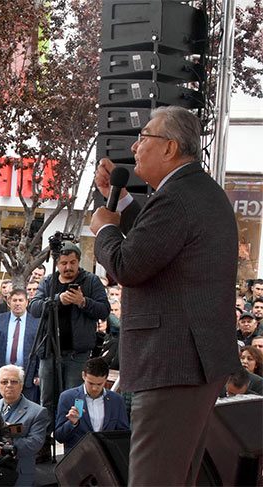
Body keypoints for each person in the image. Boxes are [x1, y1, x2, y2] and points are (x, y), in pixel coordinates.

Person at [92, 106, 239, 486]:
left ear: (170, 147)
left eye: (144, 137)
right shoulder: (196, 190)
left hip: (173, 360)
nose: (136, 146)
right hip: (194, 359)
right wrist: (120, 202)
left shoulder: (176, 197)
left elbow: (129, 264)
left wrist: (103, 231)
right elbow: (157, 241)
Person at [28, 241, 109, 437]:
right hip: (50, 351)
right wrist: (57, 300)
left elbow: (104, 309)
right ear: (57, 264)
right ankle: (45, 442)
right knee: (47, 400)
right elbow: (34, 308)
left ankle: (75, 441)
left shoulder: (91, 281)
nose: (68, 267)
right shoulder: (49, 282)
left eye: (72, 262)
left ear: (78, 262)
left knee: (77, 400)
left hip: (77, 354)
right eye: (64, 263)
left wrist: (83, 302)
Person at [53, 358, 129, 452]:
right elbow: (59, 437)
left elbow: (123, 435)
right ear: (83, 376)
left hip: (107, 457)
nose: (94, 388)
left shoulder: (117, 400)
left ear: (106, 378)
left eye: (99, 384)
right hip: (78, 457)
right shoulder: (68, 397)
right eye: (90, 383)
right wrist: (72, 423)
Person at [0, 365, 49, 487]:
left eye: (14, 381)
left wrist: (5, 443)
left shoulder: (37, 412)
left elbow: (34, 443)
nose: (9, 385)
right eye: (4, 382)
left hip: (20, 472)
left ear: (21, 385)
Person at [0, 289, 40, 401]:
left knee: (25, 410)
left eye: (21, 300)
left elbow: (40, 350)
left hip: (28, 375)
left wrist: (38, 373)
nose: (17, 303)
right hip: (2, 373)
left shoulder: (36, 322)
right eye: (14, 300)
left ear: (27, 302)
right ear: (9, 303)